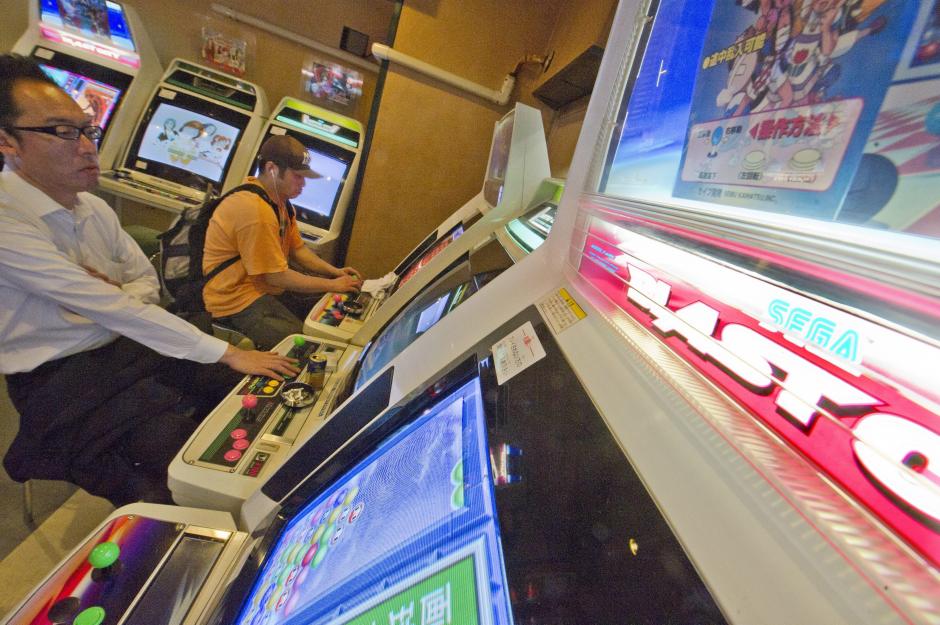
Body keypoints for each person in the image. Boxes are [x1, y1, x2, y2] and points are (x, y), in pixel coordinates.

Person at [0, 54, 299, 506]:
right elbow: (115, 307)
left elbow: (142, 284)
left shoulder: (93, 207)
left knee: (241, 395)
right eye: (63, 132)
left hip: (128, 346)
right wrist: (230, 351)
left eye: (87, 130)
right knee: (180, 476)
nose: (87, 147)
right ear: (8, 141)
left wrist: (111, 299)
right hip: (64, 381)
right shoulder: (7, 220)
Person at [202, 135, 362, 350]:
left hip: (261, 288)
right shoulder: (254, 210)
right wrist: (333, 284)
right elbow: (276, 276)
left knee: (324, 315)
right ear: (272, 169)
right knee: (305, 347)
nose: (303, 183)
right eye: (298, 176)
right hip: (234, 302)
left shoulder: (281, 204)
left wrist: (335, 272)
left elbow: (298, 249)